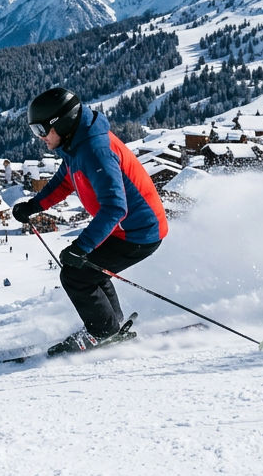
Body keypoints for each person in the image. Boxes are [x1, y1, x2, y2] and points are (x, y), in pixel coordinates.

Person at [12, 87, 168, 356]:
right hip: (124, 228)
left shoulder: (95, 150)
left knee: (75, 273)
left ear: (61, 123)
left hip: (138, 232)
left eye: (41, 131)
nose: (39, 138)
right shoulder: (77, 143)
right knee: (87, 269)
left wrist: (81, 246)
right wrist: (34, 206)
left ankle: (102, 331)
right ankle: (111, 324)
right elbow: (65, 180)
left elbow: (116, 207)